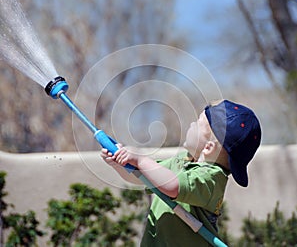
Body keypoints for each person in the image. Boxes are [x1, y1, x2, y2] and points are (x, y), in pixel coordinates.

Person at [101, 99, 261, 246]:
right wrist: (121, 164)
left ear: (208, 147)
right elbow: (142, 177)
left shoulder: (211, 179)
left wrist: (141, 160)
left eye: (198, 123)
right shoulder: (181, 161)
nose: (191, 124)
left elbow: (173, 186)